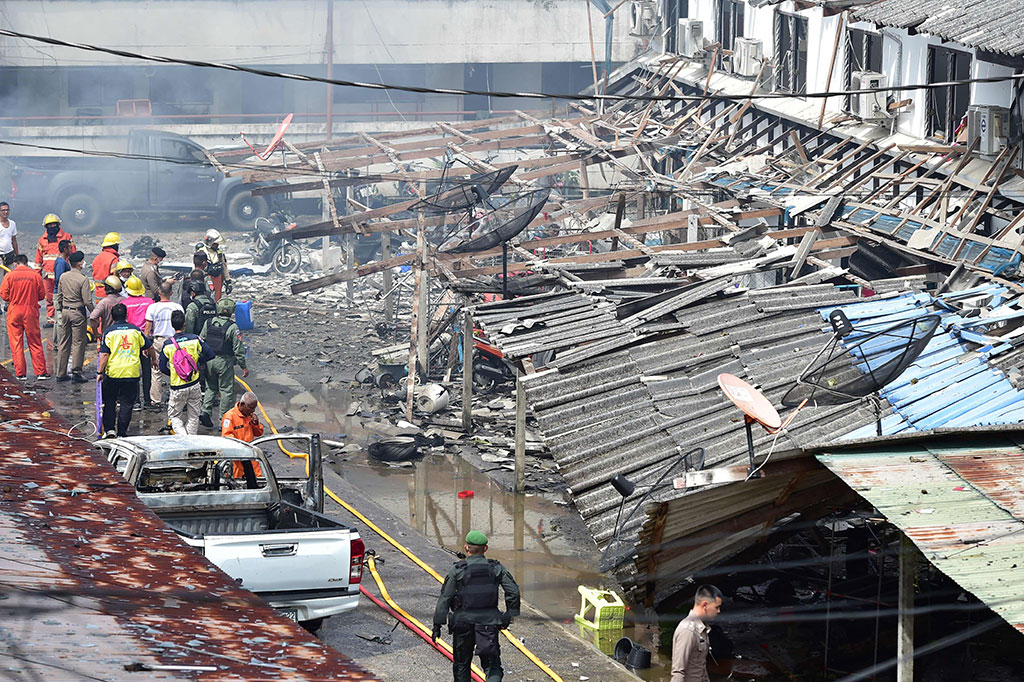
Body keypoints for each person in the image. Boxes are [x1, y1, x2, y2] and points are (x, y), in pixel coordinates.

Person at [432, 531, 520, 682]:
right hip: (488, 624)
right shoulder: (496, 568)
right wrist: (509, 615)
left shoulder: (458, 570)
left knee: (461, 665)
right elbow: (513, 592)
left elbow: (445, 597)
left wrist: (437, 624)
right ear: (485, 549)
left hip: (463, 624)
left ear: (466, 548)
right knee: (492, 665)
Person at [96, 302, 154, 438]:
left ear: (112, 317)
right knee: (127, 404)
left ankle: (110, 430)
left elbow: (104, 354)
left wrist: (99, 372)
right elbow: (149, 346)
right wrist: (154, 360)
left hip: (113, 373)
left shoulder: (109, 332)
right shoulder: (135, 331)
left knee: (110, 401)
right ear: (126, 315)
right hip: (131, 373)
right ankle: (122, 432)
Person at [160, 309, 213, 435]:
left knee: (174, 416)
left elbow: (162, 367)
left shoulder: (167, 344)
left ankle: (183, 438)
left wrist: (174, 373)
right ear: (185, 323)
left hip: (177, 386)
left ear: (172, 325)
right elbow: (210, 354)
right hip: (194, 383)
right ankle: (190, 440)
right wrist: (197, 364)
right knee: (194, 415)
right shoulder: (195, 339)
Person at [199, 297, 248, 427]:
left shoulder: (208, 323)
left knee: (211, 387)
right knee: (226, 390)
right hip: (224, 361)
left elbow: (201, 340)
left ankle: (205, 411)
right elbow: (238, 349)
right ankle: (224, 420)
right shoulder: (233, 327)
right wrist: (243, 366)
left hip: (209, 360)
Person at [0, 254, 47, 380]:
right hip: (30, 311)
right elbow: (41, 295)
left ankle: (20, 373)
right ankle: (41, 372)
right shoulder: (35, 276)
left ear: (15, 263)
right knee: (35, 341)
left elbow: (4, 295)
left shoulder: (9, 276)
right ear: (26, 262)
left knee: (16, 343)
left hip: (14, 311)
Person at [670, 585, 724, 682]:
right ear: (705, 605)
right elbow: (678, 672)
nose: (719, 611)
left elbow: (700, 666)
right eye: (717, 607)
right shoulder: (687, 631)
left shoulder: (702, 629)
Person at [55, 250, 92, 383]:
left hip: (65, 311)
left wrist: (61, 309)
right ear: (79, 264)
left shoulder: (63, 276)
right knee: (78, 343)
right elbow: (87, 301)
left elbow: (59, 296)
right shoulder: (83, 279)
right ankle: (76, 372)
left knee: (64, 342)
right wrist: (93, 313)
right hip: (77, 313)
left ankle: (60, 372)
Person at [145, 281, 183, 407]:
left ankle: (156, 400)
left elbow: (148, 327)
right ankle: (176, 398)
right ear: (171, 293)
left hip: (159, 340)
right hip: (174, 341)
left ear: (159, 292)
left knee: (156, 371)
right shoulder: (178, 307)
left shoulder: (152, 307)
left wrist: (145, 344)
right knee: (176, 368)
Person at [123, 275, 157, 411]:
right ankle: (148, 400)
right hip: (147, 339)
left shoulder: (124, 304)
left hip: (132, 340)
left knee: (134, 371)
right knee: (147, 371)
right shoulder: (150, 302)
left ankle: (136, 400)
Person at [34, 213, 74, 325]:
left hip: (64, 275)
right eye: (49, 225)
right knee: (49, 298)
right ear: (46, 227)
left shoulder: (66, 237)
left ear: (58, 225)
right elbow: (38, 260)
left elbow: (73, 255)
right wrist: (36, 277)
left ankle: (65, 318)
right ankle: (51, 319)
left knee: (66, 297)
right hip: (48, 276)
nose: (52, 227)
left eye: (54, 224)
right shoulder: (42, 240)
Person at [221, 391, 265, 477]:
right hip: (237, 458)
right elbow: (227, 437)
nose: (253, 411)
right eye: (251, 408)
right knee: (238, 481)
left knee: (257, 479)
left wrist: (255, 424)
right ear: (242, 405)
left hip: (251, 455)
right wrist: (241, 447)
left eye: (254, 408)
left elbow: (259, 433)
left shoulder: (250, 415)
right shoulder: (229, 417)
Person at [51, 239, 73, 352]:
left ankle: (56, 343)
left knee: (57, 320)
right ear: (65, 249)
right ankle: (61, 345)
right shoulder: (61, 263)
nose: (71, 250)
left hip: (59, 293)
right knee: (60, 320)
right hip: (60, 294)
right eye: (70, 248)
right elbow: (60, 280)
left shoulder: (62, 261)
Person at [88, 275, 125, 340]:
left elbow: (93, 317)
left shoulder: (104, 303)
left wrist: (96, 333)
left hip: (108, 336)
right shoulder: (125, 300)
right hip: (124, 335)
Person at [197, 229, 229, 300]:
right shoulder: (201, 252)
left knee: (217, 298)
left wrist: (228, 281)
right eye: (215, 244)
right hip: (206, 279)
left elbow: (224, 267)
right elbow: (196, 268)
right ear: (210, 243)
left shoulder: (219, 253)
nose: (217, 245)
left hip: (218, 279)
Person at [91, 231, 121, 300]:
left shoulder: (97, 258)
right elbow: (115, 278)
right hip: (109, 294)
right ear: (114, 245)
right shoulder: (113, 259)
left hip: (98, 294)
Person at [0, 201, 19, 268]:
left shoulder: (12, 223)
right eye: (3, 210)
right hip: (0, 255)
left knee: (11, 273)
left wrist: (17, 255)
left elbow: (14, 240)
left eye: (7, 210)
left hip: (10, 254)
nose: (6, 212)